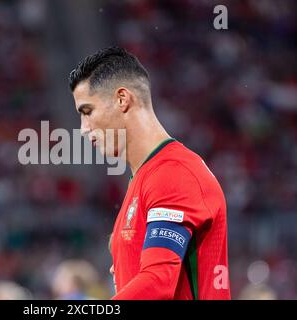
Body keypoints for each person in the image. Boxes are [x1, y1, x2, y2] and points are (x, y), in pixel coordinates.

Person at [69, 47, 230, 299]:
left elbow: (158, 281)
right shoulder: (145, 177)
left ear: (122, 99)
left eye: (87, 111)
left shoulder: (174, 172)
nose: (83, 128)